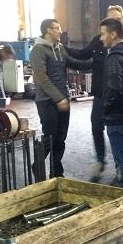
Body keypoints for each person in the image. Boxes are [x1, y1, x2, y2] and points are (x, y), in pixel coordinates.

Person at [65, 5, 123, 182]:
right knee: (97, 126)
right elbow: (84, 55)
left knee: (120, 134)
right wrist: (64, 51)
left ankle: (121, 167)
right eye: (111, 18)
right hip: (102, 94)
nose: (114, 21)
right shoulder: (99, 42)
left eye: (117, 18)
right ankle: (101, 160)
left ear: (121, 21)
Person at [30, 18, 92, 177]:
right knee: (50, 137)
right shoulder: (38, 50)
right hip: (47, 101)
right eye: (57, 28)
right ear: (48, 30)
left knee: (60, 138)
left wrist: (96, 62)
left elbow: (74, 63)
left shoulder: (60, 48)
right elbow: (42, 78)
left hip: (63, 100)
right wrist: (58, 98)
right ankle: (37, 165)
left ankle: (56, 173)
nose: (60, 31)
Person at [99, 17, 123, 190]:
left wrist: (105, 108)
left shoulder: (114, 57)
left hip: (117, 116)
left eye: (103, 34)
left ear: (113, 34)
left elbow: (114, 88)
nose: (101, 38)